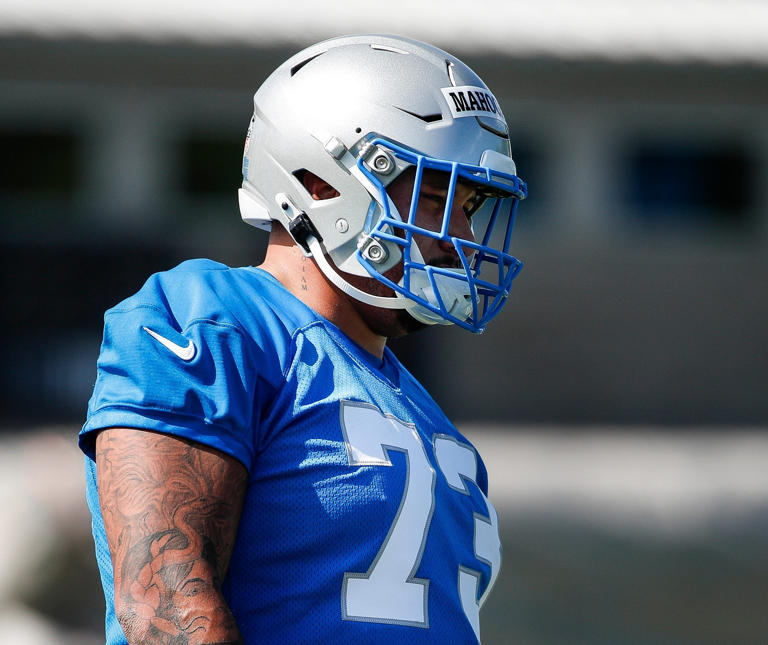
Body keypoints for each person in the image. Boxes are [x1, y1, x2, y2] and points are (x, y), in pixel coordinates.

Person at [80, 33, 527, 645]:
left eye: (468, 205)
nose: (457, 233)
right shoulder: (214, 320)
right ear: (320, 183)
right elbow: (166, 606)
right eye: (432, 196)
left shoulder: (423, 414)